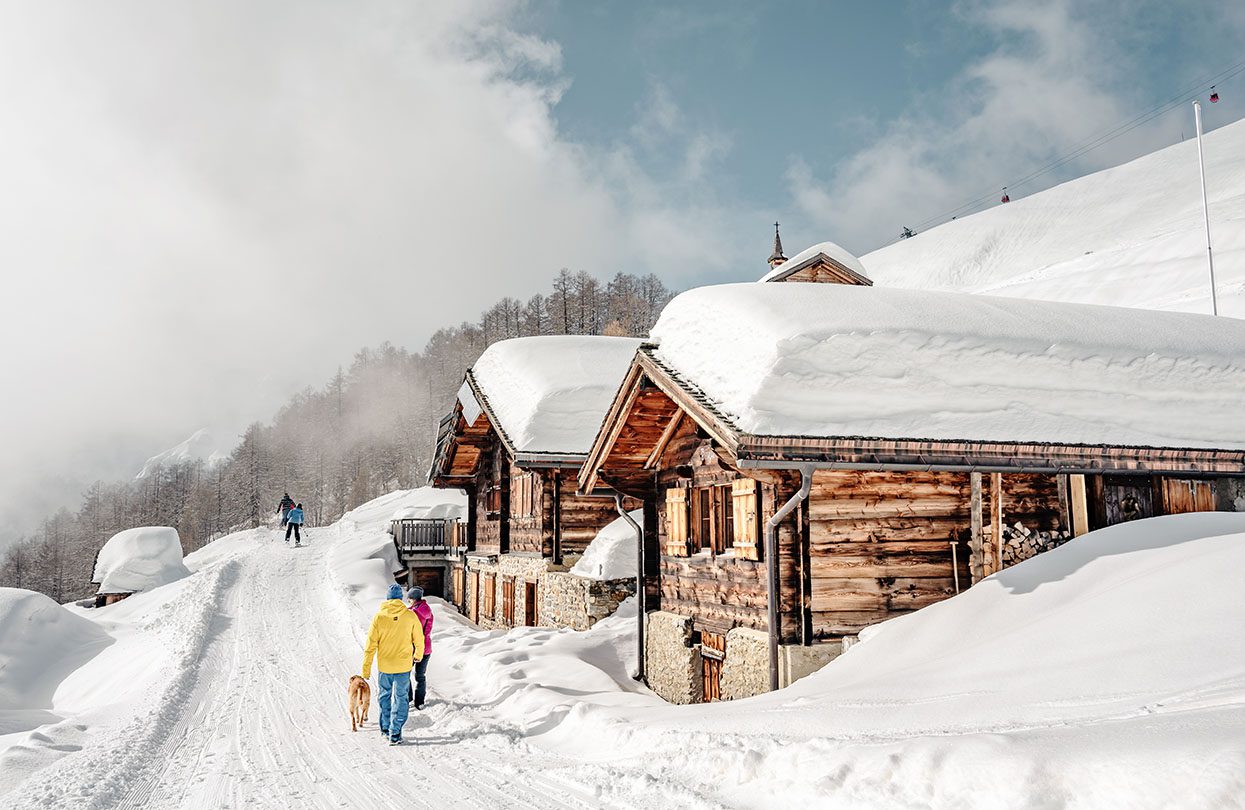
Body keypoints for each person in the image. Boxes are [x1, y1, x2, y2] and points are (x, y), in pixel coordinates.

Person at [362, 583, 425, 745]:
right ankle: (395, 732)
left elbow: (370, 645)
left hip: (385, 666)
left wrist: (366, 669)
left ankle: (384, 729)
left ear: (388, 599)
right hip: (403, 666)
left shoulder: (379, 617)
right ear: (400, 599)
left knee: (384, 696)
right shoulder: (410, 616)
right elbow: (419, 639)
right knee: (401, 698)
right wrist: (417, 655)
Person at [406, 587, 433, 709]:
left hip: (414, 647)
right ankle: (419, 702)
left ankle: (409, 697)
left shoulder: (412, 613)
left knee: (405, 673)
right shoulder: (428, 611)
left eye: (409, 599)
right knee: (420, 676)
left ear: (413, 599)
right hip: (426, 647)